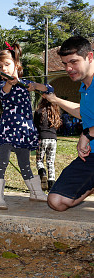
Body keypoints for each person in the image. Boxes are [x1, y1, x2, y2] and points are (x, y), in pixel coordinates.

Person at [0, 42, 52, 210]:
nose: (3, 68)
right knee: (2, 162)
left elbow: (49, 89)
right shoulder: (2, 85)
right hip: (8, 131)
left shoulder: (25, 84)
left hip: (24, 131)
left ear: (16, 64)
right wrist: (11, 82)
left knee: (25, 164)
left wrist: (35, 86)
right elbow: (5, 92)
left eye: (7, 65)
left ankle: (36, 192)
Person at [43, 36, 94, 211]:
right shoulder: (85, 87)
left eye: (73, 62)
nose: (68, 68)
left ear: (90, 57)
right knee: (56, 201)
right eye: (65, 64)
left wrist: (87, 134)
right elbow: (83, 112)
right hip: (91, 156)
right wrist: (55, 100)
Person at [34, 97, 62, 191]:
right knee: (50, 162)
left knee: (39, 160)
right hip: (53, 139)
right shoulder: (56, 112)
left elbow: (35, 126)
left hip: (42, 138)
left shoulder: (39, 112)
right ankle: (51, 183)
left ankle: (42, 173)